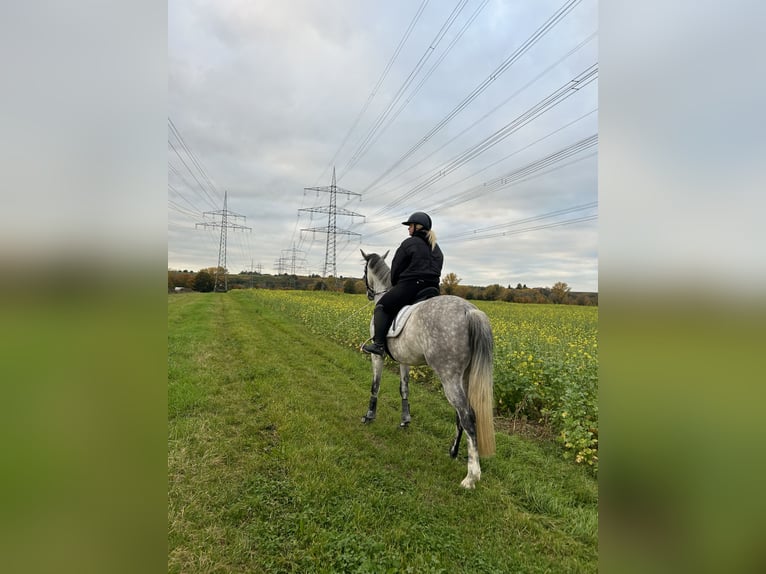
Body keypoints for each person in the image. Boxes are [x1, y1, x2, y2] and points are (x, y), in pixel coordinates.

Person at [362, 211, 444, 356]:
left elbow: (396, 268)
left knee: (381, 306)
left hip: (411, 286)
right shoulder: (436, 247)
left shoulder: (409, 243)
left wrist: (396, 283)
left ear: (417, 227)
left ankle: (379, 345)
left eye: (409, 226)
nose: (408, 229)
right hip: (433, 289)